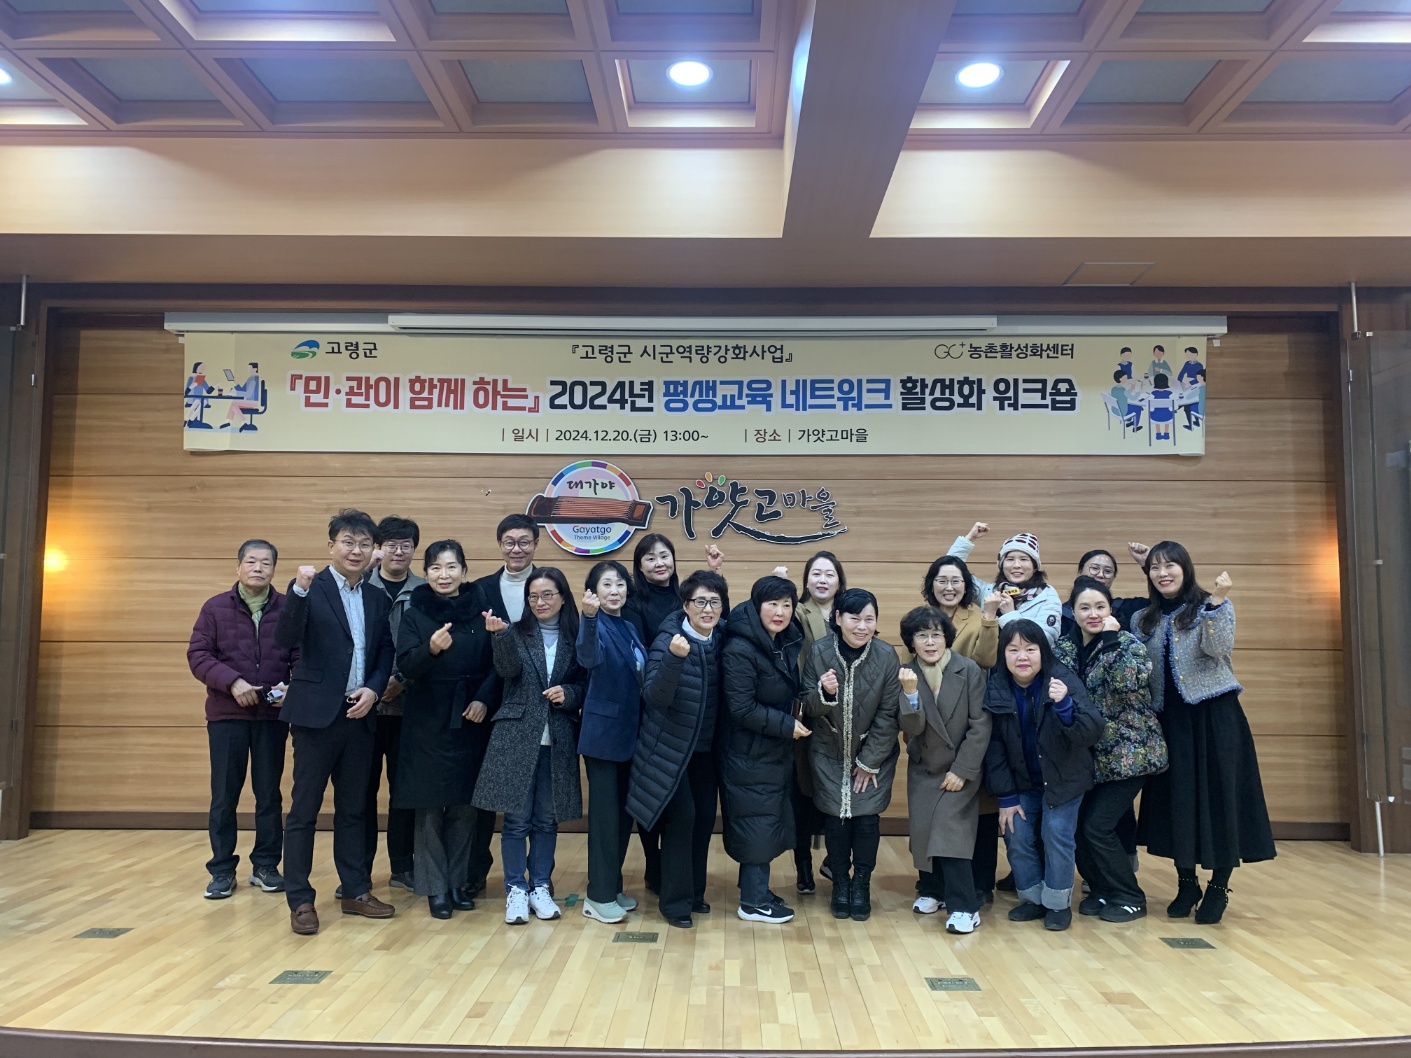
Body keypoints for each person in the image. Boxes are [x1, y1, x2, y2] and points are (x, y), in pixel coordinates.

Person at [1131, 542, 1274, 925]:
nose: (1163, 573)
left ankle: (1219, 887)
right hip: (1170, 723)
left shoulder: (1212, 606)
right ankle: (1186, 883)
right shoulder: (1143, 618)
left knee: (1220, 800)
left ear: (1186, 568)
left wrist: (1217, 602)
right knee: (1179, 803)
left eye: (1170, 566)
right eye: (1155, 567)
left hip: (1215, 719)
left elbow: (1218, 647)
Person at [275, 509, 397, 936]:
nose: (356, 550)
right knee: (304, 810)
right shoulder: (311, 588)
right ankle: (300, 899)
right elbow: (285, 638)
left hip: (359, 714)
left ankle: (355, 890)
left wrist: (374, 689)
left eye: (364, 544)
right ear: (331, 546)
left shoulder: (377, 598)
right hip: (315, 717)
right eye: (348, 542)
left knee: (354, 809)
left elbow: (385, 651)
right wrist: (298, 591)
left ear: (372, 550)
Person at [475, 567, 586, 925]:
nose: (540, 602)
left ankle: (540, 886)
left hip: (558, 736)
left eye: (547, 595)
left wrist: (569, 694)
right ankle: (516, 889)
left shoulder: (576, 636)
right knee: (516, 821)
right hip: (517, 736)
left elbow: (584, 683)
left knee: (547, 821)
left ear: (563, 598)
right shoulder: (514, 631)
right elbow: (507, 671)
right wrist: (499, 637)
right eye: (533, 596)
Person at [187, 538, 296, 900]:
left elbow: (302, 654)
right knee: (224, 795)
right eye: (251, 561)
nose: (258, 568)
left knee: (269, 795)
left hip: (271, 716)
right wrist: (233, 682)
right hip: (227, 715)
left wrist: (291, 687)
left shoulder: (289, 608)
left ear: (274, 569)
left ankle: (266, 865)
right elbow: (198, 655)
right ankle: (221, 870)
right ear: (238, 566)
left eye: (266, 563)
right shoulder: (215, 607)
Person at [393, 540, 496, 919]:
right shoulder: (415, 612)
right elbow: (406, 666)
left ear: (464, 571)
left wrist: (484, 699)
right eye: (435, 568)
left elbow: (498, 664)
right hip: (428, 721)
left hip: (471, 718)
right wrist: (431, 649)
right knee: (430, 808)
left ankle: (457, 882)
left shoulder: (482, 609)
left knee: (466, 806)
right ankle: (435, 888)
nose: (444, 575)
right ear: (426, 573)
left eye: (451, 567)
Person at [1055, 577, 1167, 924]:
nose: (1093, 614)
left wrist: (1109, 640)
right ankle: (1102, 889)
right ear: (1073, 612)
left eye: (1100, 607)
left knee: (1097, 826)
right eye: (1085, 607)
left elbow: (1126, 682)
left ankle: (1130, 896)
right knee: (1079, 828)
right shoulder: (1064, 648)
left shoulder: (1127, 643)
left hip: (1130, 753)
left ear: (1111, 610)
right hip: (1089, 756)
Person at [983, 619, 1103, 932]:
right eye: (1013, 650)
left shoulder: (1062, 677)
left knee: (1056, 834)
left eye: (1030, 649)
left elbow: (1092, 731)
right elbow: (993, 747)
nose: (1022, 657)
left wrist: (1065, 706)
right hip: (1021, 782)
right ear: (1003, 654)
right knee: (1016, 834)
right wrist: (1006, 797)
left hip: (1064, 780)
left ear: (1043, 652)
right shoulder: (996, 683)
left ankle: (1058, 903)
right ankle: (1032, 898)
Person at [621, 534, 724, 895]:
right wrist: (671, 659)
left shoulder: (691, 597)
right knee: (655, 798)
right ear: (639, 566)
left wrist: (715, 574)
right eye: (650, 558)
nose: (659, 563)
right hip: (652, 701)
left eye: (664, 555)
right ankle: (656, 869)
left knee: (690, 811)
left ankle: (680, 881)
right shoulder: (635, 603)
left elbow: (715, 614)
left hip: (688, 712)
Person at [802, 587, 900, 923]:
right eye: (855, 618)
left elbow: (889, 714)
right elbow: (808, 706)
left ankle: (861, 884)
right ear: (838, 618)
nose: (862, 626)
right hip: (828, 752)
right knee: (836, 820)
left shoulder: (886, 655)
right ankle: (840, 883)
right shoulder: (819, 651)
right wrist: (824, 692)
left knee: (867, 819)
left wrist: (869, 762)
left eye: (869, 619)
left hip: (874, 754)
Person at [720, 575, 810, 924]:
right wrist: (787, 725)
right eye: (772, 604)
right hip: (747, 752)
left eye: (787, 605)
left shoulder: (779, 641)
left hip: (768, 750)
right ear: (757, 606)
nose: (780, 612)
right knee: (756, 825)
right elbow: (741, 709)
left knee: (765, 821)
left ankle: (755, 890)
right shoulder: (740, 648)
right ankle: (753, 901)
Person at [896, 606, 991, 935]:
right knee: (924, 831)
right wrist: (910, 694)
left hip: (960, 767)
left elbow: (980, 725)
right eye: (921, 635)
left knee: (951, 834)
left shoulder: (968, 670)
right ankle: (933, 890)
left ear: (947, 638)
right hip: (925, 767)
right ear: (911, 641)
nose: (930, 642)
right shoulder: (906, 673)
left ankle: (965, 907)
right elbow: (912, 728)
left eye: (936, 635)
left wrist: (963, 769)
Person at [462, 513, 540, 898]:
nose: (517, 549)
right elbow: (478, 655)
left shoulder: (549, 586)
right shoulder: (480, 590)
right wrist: (482, 697)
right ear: (499, 545)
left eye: (524, 542)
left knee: (534, 798)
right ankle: (475, 870)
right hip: (487, 708)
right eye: (510, 542)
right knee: (485, 793)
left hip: (531, 706)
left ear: (536, 545)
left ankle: (538, 878)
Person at [919, 552, 1002, 909]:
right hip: (933, 724)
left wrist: (989, 619)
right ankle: (934, 885)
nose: (949, 587)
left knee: (979, 809)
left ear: (966, 585)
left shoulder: (978, 615)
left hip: (971, 711)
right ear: (931, 584)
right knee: (933, 808)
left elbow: (986, 659)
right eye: (942, 580)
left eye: (956, 581)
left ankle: (979, 883)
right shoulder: (922, 618)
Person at [576, 560, 646, 925]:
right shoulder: (593, 623)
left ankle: (612, 886)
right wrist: (588, 619)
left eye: (619, 583)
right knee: (604, 819)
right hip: (603, 737)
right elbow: (588, 658)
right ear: (593, 592)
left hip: (630, 735)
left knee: (621, 817)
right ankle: (598, 896)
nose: (614, 590)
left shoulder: (628, 626)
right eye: (606, 585)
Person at [362, 514, 424, 894]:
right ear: (378, 548)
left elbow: (432, 646)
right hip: (362, 708)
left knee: (404, 792)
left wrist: (401, 680)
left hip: (409, 708)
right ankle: (358, 872)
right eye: (391, 545)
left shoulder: (425, 590)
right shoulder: (356, 584)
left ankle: (403, 866)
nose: (398, 552)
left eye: (406, 545)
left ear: (414, 549)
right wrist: (373, 685)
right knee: (360, 793)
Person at [791, 550, 844, 894]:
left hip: (844, 715)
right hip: (807, 711)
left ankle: (834, 861)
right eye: (816, 574)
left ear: (840, 580)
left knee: (838, 793)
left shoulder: (850, 612)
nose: (822, 580)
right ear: (806, 580)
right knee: (803, 793)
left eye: (829, 574)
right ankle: (803, 866)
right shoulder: (796, 611)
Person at [947, 522, 1062, 644]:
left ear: (1035, 567)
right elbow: (950, 569)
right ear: (1001, 566)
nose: (1016, 565)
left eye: (1024, 559)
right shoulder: (990, 592)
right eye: (1010, 559)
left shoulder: (1046, 595)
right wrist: (970, 538)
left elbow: (1047, 638)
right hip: (990, 656)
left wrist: (1010, 614)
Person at [223, 362, 261, 427]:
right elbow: (242, 390)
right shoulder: (250, 378)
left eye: (250, 368)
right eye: (248, 369)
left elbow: (248, 394)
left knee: (234, 403)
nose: (249, 370)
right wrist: (233, 382)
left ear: (255, 369)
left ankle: (242, 422)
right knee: (233, 403)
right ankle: (228, 421)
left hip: (253, 402)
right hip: (249, 401)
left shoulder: (254, 379)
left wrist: (234, 393)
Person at [1149, 373, 1177, 442]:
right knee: (1168, 412)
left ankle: (1158, 434)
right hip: (1168, 417)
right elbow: (1175, 407)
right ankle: (1166, 433)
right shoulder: (1170, 394)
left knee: (1155, 412)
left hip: (1155, 417)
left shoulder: (1152, 394)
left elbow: (1150, 408)